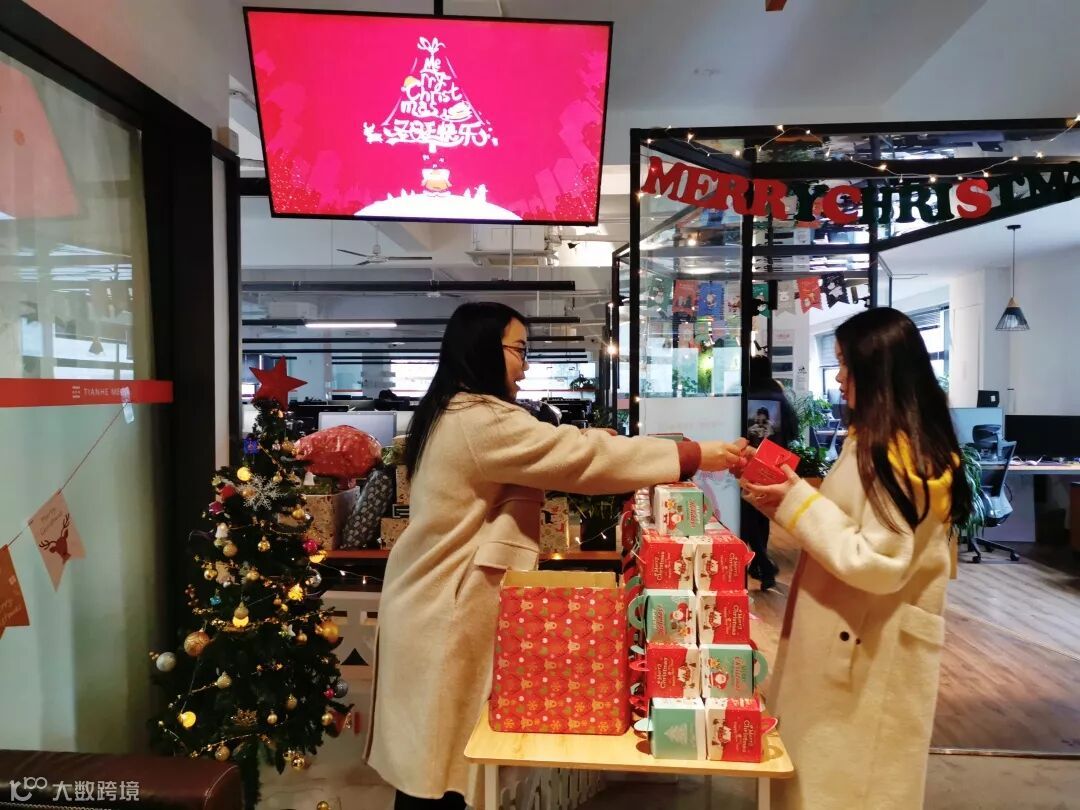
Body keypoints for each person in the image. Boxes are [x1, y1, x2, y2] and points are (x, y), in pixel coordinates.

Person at [365, 302, 746, 810]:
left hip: (431, 599)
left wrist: (594, 443)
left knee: (439, 764)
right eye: (519, 350)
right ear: (484, 348)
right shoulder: (480, 418)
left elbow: (560, 449)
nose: (524, 366)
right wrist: (690, 454)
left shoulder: (454, 411)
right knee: (441, 767)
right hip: (445, 610)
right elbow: (578, 460)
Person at [740, 307, 971, 810]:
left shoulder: (896, 456)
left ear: (876, 368)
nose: (839, 376)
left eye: (846, 362)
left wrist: (796, 502)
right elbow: (851, 524)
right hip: (854, 638)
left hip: (866, 646)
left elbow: (877, 562)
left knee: (848, 784)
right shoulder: (874, 442)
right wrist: (789, 499)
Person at [742, 354, 798, 589]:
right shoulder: (778, 396)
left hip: (749, 457)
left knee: (747, 510)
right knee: (762, 511)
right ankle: (761, 561)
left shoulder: (746, 394)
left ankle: (761, 561)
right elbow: (794, 431)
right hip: (774, 459)